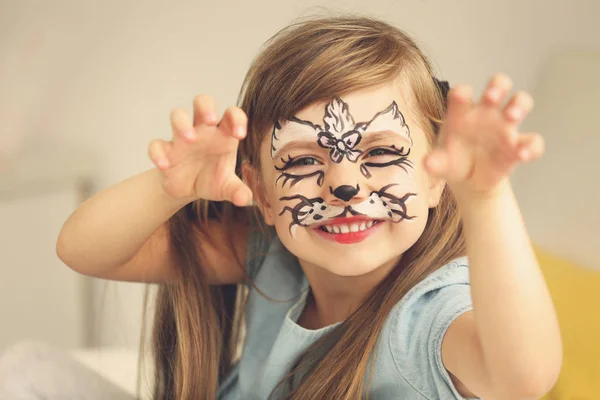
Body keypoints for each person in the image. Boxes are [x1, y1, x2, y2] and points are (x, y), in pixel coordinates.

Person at [1, 15, 562, 400]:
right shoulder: (270, 256)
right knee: (27, 367)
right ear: (262, 194)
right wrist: (170, 188)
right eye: (300, 161)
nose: (343, 184)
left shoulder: (428, 319)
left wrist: (486, 198)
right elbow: (81, 249)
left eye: (383, 151)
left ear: (436, 178)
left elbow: (523, 377)